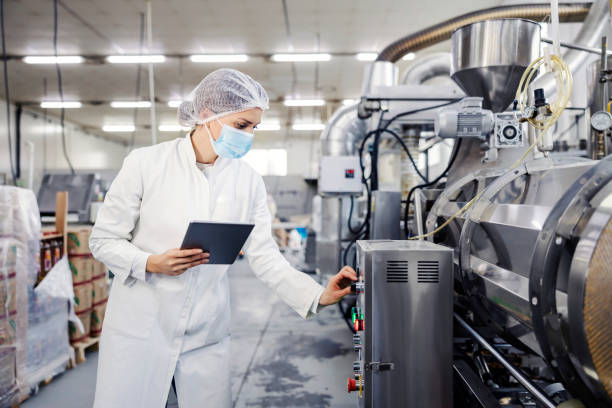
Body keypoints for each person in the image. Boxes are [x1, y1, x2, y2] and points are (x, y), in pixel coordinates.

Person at [89, 68, 357, 408]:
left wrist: (318, 294)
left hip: (206, 333)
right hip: (141, 328)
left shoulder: (248, 182)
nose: (248, 136)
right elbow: (103, 240)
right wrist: (150, 262)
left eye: (254, 128)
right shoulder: (146, 164)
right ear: (207, 116)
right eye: (241, 126)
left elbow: (266, 257)